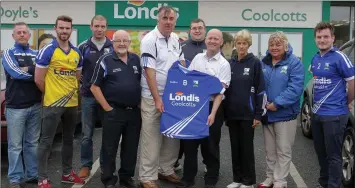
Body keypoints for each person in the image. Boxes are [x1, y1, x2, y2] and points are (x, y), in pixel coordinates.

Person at [177, 29, 231, 188]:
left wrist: (213, 113)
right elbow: (189, 80)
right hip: (194, 106)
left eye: (216, 39)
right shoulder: (197, 58)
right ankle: (188, 178)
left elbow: (219, 93)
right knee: (190, 145)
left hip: (212, 107)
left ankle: (211, 177)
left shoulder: (224, 64)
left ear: (221, 42)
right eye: (210, 38)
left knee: (211, 145)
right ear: (206, 40)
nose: (213, 41)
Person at [35, 15, 85, 188]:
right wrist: (52, 95)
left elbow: (76, 78)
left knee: (69, 140)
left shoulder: (77, 52)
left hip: (71, 105)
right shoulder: (48, 50)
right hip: (52, 104)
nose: (64, 31)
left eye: (67, 28)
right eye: (61, 28)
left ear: (71, 30)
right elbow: (38, 80)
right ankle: (42, 178)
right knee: (46, 141)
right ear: (55, 29)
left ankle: (66, 173)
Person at [139, 6, 185, 188]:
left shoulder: (175, 39)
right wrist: (157, 99)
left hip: (174, 97)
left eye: (171, 18)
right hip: (152, 97)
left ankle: (165, 169)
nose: (168, 21)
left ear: (175, 21)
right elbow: (149, 72)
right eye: (165, 18)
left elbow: (181, 65)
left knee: (172, 135)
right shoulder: (149, 40)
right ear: (158, 19)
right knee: (151, 137)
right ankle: (147, 177)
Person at [90, 30, 142, 188]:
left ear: (129, 42)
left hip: (133, 112)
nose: (121, 44)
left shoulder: (135, 59)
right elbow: (94, 87)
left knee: (131, 147)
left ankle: (126, 178)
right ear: (113, 43)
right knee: (109, 147)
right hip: (113, 112)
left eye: (125, 41)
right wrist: (107, 108)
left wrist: (139, 104)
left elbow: (140, 83)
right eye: (118, 41)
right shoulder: (105, 60)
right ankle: (108, 180)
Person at [310, 22, 354, 188]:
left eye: (326, 37)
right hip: (317, 113)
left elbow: (352, 83)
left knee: (334, 155)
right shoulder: (316, 58)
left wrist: (347, 101)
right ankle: (324, 182)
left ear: (333, 38)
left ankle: (333, 185)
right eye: (319, 37)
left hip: (335, 115)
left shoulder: (340, 57)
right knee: (321, 153)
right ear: (315, 39)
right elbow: (316, 82)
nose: (322, 40)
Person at [258, 31, 304, 188]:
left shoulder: (294, 63)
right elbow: (258, 85)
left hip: (285, 114)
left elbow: (295, 88)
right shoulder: (264, 62)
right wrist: (261, 103)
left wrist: (277, 103)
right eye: (272, 44)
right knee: (270, 151)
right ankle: (270, 177)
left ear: (285, 45)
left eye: (278, 44)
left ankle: (280, 181)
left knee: (283, 151)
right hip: (267, 115)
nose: (275, 47)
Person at [1, 22, 42, 188]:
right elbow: (15, 73)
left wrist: (29, 69)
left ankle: (32, 175)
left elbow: (43, 71)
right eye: (18, 32)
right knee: (15, 145)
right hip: (15, 107)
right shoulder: (8, 53)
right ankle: (15, 178)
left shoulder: (36, 53)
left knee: (32, 144)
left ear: (29, 35)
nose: (22, 35)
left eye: (25, 32)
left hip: (35, 105)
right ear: (13, 36)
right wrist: (35, 72)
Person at [224, 29, 265, 188]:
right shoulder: (230, 63)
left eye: (244, 43)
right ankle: (237, 179)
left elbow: (261, 89)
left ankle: (248, 181)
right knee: (235, 147)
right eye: (239, 43)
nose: (241, 46)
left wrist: (258, 114)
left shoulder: (255, 62)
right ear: (235, 44)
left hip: (248, 114)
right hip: (232, 114)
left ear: (249, 45)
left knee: (247, 149)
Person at [77, 15, 113, 179]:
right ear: (91, 26)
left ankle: (105, 166)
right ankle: (86, 165)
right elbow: (78, 72)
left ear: (106, 27)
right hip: (88, 98)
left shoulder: (112, 46)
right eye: (96, 26)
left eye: (102, 26)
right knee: (87, 134)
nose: (99, 29)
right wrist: (86, 86)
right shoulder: (83, 46)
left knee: (108, 134)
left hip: (108, 98)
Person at [174, 18, 207, 171]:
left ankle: (208, 163)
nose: (197, 31)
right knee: (183, 133)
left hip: (207, 99)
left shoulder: (212, 46)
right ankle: (176, 161)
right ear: (190, 30)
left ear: (204, 30)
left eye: (200, 28)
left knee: (207, 134)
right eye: (194, 28)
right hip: (185, 98)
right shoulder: (181, 47)